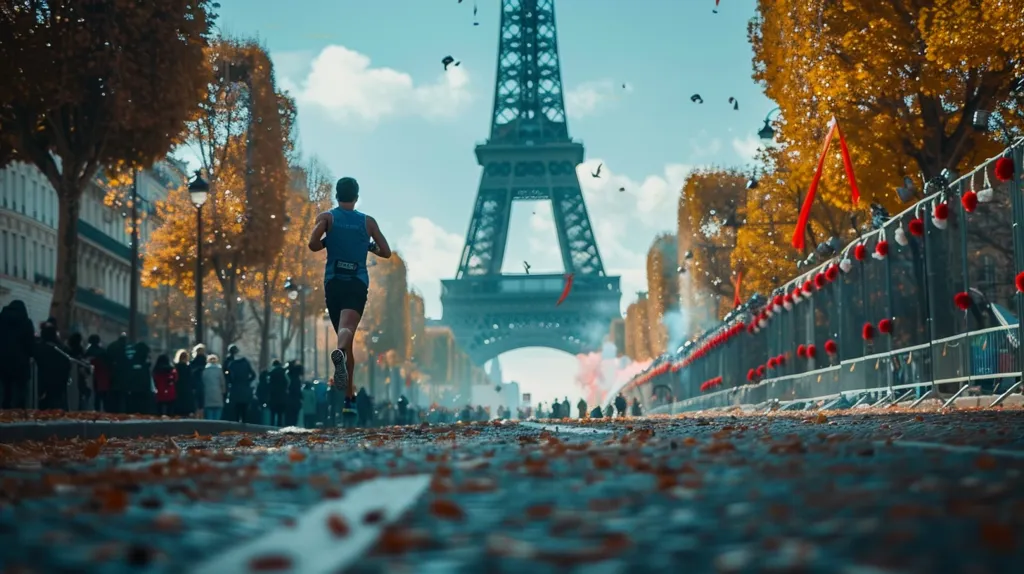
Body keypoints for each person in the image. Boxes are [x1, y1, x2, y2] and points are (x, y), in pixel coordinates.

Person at [308, 176, 391, 418]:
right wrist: (368, 246)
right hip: (357, 282)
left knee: (345, 337)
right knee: (347, 333)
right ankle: (345, 380)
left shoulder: (327, 218)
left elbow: (313, 244)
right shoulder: (368, 222)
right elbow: (386, 252)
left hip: (333, 282)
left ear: (337, 194)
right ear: (356, 196)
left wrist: (327, 241)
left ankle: (349, 399)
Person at [0, 300, 35, 409]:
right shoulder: (26, 323)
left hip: (2, 365)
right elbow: (30, 346)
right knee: (19, 399)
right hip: (20, 367)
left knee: (4, 395)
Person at [224, 345, 256, 423]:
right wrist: (247, 381)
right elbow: (253, 375)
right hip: (245, 389)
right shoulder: (246, 362)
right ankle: (244, 428)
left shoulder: (230, 364)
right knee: (244, 411)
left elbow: (228, 376)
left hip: (235, 390)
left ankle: (237, 427)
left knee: (235, 412)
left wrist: (231, 382)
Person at [202, 354, 226, 421]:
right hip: (218, 395)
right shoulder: (219, 370)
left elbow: (203, 382)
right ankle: (216, 430)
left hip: (208, 395)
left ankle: (210, 430)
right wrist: (223, 392)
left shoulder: (205, 371)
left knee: (210, 416)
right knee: (217, 416)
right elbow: (222, 383)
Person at [267, 359, 288, 427]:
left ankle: (272, 426)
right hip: (282, 396)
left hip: (273, 396)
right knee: (280, 414)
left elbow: (269, 385)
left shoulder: (271, 373)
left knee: (272, 414)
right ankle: (279, 427)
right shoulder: (283, 373)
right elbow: (287, 383)